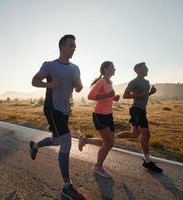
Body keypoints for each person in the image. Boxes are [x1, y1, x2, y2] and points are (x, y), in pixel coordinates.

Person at [29, 34, 85, 200]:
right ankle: (67, 187)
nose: (73, 48)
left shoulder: (75, 68)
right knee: (66, 140)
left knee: (57, 140)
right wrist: (49, 84)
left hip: (65, 109)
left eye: (75, 46)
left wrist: (79, 87)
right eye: (70, 45)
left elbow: (79, 86)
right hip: (52, 108)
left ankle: (35, 146)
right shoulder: (49, 65)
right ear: (61, 47)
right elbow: (34, 81)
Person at [115, 62, 163, 173]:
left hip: (141, 109)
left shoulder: (147, 82)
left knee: (135, 134)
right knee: (146, 133)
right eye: (145, 68)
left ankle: (113, 137)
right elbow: (125, 95)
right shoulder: (133, 82)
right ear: (138, 70)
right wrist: (139, 95)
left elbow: (144, 96)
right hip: (136, 109)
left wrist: (150, 93)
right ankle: (147, 161)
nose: (147, 69)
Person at [78, 61, 120, 178]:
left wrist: (113, 98)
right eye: (113, 67)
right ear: (105, 69)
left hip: (108, 115)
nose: (114, 69)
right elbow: (91, 96)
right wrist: (108, 95)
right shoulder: (101, 81)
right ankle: (98, 167)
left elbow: (106, 98)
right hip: (99, 115)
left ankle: (85, 140)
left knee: (107, 142)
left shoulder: (110, 82)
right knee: (108, 142)